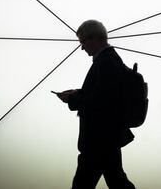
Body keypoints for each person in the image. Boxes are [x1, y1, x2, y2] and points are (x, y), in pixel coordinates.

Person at [56, 20, 136, 189]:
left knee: (83, 185)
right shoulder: (109, 60)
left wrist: (72, 100)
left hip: (98, 138)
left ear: (98, 38)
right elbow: (102, 93)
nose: (82, 47)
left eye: (84, 41)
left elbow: (101, 101)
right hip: (107, 137)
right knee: (118, 181)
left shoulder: (106, 62)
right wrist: (78, 93)